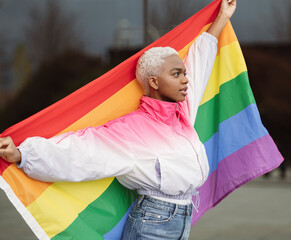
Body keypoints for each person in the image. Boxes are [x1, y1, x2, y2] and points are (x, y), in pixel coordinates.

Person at [0, 1, 236, 239]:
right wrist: (22, 154)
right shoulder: (132, 130)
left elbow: (200, 61)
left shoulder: (182, 113)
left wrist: (222, 18)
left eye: (184, 73)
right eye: (176, 74)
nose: (185, 79)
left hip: (183, 218)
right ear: (154, 82)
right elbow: (81, 151)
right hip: (153, 222)